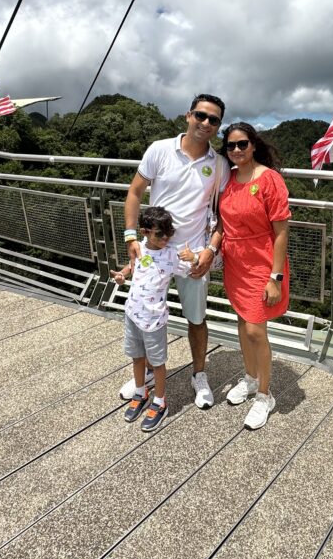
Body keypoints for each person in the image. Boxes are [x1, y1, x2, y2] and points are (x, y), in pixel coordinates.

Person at [123, 94, 229, 409]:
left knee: (196, 319)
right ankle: (147, 376)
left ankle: (199, 374)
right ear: (188, 115)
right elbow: (134, 190)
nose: (206, 123)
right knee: (144, 313)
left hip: (192, 256)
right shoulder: (160, 150)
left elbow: (225, 214)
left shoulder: (219, 164)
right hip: (153, 250)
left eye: (214, 120)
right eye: (201, 115)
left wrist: (211, 249)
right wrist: (131, 235)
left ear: (218, 126)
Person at [211, 122, 290, 430]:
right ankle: (249, 378)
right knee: (243, 324)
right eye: (230, 146)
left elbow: (282, 232)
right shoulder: (228, 179)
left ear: (253, 145)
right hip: (235, 262)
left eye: (242, 144)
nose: (236, 150)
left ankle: (265, 395)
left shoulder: (270, 179)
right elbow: (222, 224)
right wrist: (211, 248)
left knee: (257, 331)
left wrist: (276, 277)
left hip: (262, 262)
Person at [110, 206, 190, 432]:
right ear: (145, 232)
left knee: (157, 364)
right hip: (133, 314)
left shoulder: (171, 254)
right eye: (159, 234)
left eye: (168, 233)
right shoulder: (140, 248)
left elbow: (191, 269)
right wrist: (122, 275)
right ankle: (140, 391)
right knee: (137, 358)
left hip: (154, 320)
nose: (165, 238)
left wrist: (194, 257)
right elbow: (132, 265)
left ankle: (160, 401)